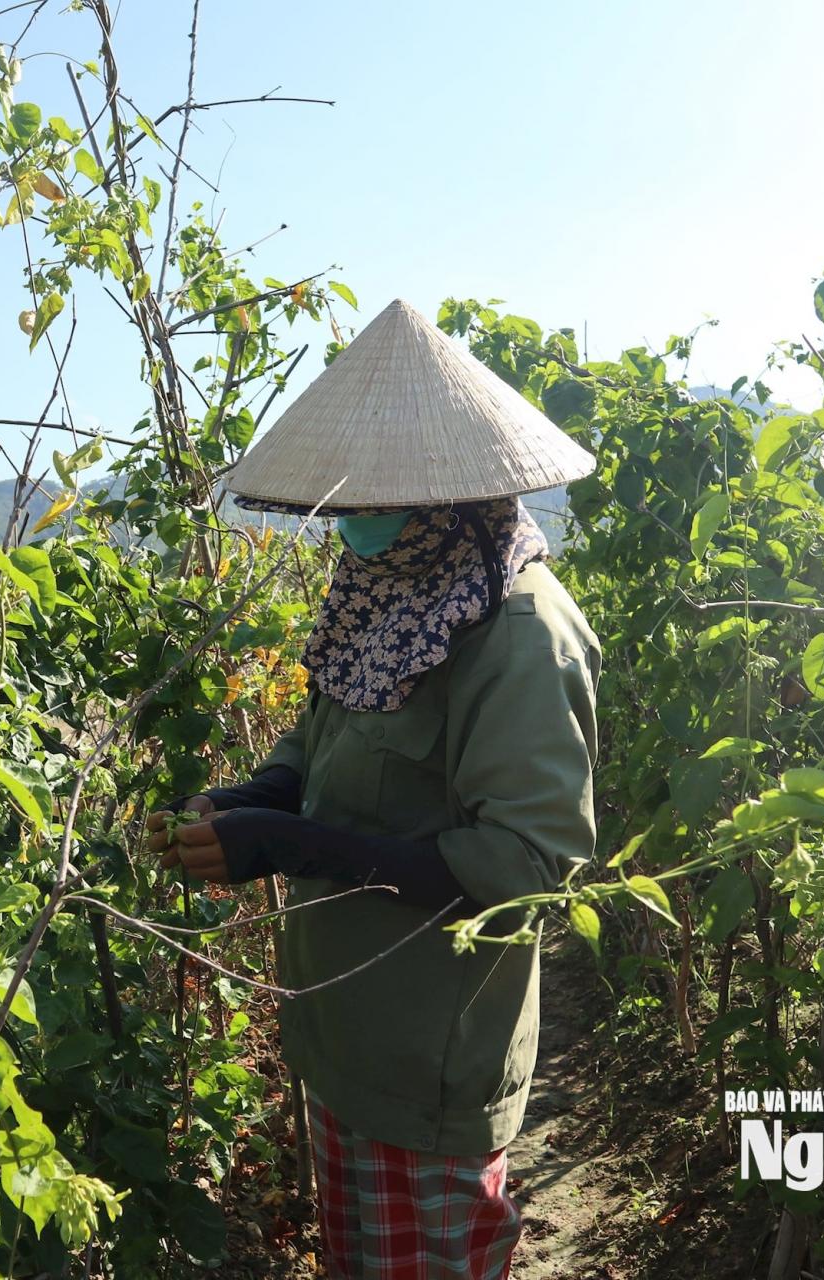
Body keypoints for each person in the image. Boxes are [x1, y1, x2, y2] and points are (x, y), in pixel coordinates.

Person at [144, 299, 602, 1280]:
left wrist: (297, 845)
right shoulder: (383, 591)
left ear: (449, 498)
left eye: (373, 502)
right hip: (341, 1035)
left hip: (428, 1053)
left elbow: (528, 865)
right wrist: (258, 797)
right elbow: (321, 735)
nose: (353, 524)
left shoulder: (518, 633)